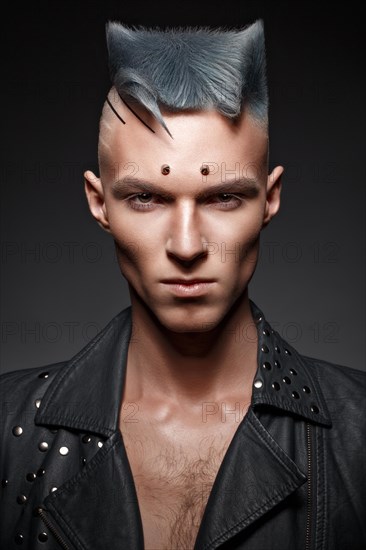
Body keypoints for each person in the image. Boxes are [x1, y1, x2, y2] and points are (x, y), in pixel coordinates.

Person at [0, 18, 365, 550]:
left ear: (270, 199)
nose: (188, 246)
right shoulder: (8, 429)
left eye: (223, 198)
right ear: (99, 203)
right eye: (146, 198)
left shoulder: (358, 437)